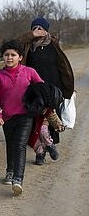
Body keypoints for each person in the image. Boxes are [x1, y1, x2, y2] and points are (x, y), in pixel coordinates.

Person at [0, 39, 43, 196]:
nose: (9, 58)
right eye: (6, 55)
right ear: (2, 57)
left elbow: (42, 88)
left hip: (26, 116)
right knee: (11, 144)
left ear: (20, 57)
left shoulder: (29, 72)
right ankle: (10, 170)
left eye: (13, 55)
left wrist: (43, 101)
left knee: (19, 145)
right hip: (7, 118)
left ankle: (18, 179)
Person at [19, 17, 74, 164]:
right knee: (36, 121)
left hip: (52, 90)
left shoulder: (54, 45)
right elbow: (14, 45)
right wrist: (31, 36)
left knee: (50, 120)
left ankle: (46, 148)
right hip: (34, 90)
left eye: (41, 28)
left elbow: (64, 68)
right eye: (34, 28)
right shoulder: (27, 46)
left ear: (46, 30)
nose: (38, 30)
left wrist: (67, 90)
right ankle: (42, 150)